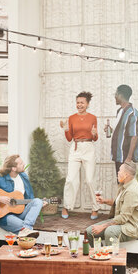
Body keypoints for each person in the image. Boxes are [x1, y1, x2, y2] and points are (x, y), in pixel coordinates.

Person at [0, 154, 44, 237]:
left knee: (37, 201)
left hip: (21, 213)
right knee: (18, 223)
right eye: (21, 163)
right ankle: (26, 229)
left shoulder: (24, 177)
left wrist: (39, 204)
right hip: (5, 216)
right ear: (13, 168)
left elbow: (30, 198)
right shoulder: (0, 178)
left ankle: (26, 229)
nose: (24, 164)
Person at [60, 91, 100, 220]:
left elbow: (95, 138)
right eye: (77, 102)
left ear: (87, 104)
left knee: (90, 179)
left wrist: (94, 133)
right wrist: (66, 129)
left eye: (82, 102)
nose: (79, 105)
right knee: (71, 179)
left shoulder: (93, 117)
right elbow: (69, 138)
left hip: (89, 148)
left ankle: (95, 208)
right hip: (76, 148)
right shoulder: (71, 118)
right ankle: (66, 206)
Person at [86, 161, 138, 246]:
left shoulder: (132, 191)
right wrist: (104, 201)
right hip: (122, 222)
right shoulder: (123, 185)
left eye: (119, 170)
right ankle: (99, 253)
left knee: (110, 231)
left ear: (126, 174)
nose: (117, 172)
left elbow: (123, 217)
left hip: (133, 226)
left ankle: (111, 257)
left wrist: (102, 226)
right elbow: (119, 203)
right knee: (90, 231)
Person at [105, 84, 138, 176]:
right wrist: (111, 130)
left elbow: (134, 136)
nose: (114, 96)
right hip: (119, 156)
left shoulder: (132, 114)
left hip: (125, 156)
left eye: (115, 94)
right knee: (120, 182)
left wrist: (128, 158)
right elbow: (122, 132)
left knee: (125, 184)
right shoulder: (120, 111)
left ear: (120, 95)